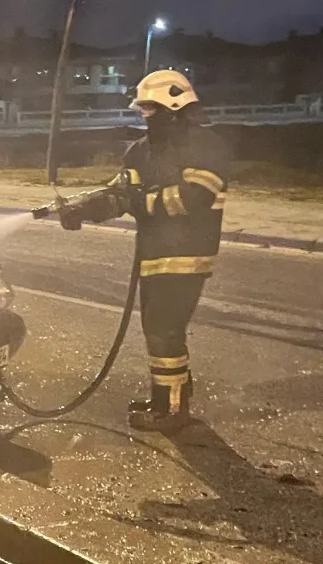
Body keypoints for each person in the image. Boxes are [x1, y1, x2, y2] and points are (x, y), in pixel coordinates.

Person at [56, 70, 229, 434]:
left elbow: (194, 199)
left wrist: (141, 202)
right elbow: (121, 193)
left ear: (174, 106)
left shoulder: (206, 145)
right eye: (143, 109)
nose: (145, 116)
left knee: (164, 330)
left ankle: (172, 410)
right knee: (159, 330)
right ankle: (167, 398)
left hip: (188, 253)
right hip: (155, 253)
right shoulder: (140, 150)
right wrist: (84, 208)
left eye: (150, 108)